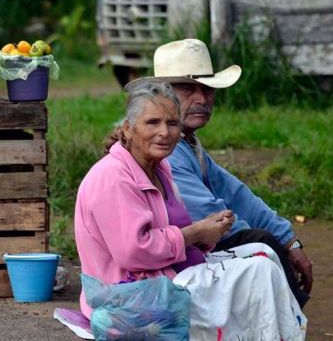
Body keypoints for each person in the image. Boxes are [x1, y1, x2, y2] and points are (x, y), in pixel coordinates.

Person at [74, 81, 306, 340]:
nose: (164, 132)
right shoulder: (114, 176)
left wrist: (209, 232)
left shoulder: (160, 169)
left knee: (262, 254)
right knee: (259, 272)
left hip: (167, 276)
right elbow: (134, 251)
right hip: (131, 295)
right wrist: (194, 233)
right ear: (128, 129)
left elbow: (232, 196)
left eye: (172, 124)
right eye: (152, 123)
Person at [126, 38, 313, 308]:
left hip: (182, 247)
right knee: (261, 244)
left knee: (265, 241)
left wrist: (288, 241)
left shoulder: (187, 142)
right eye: (188, 89)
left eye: (207, 89)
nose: (201, 99)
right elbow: (208, 216)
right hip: (159, 262)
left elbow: (236, 194)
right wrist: (271, 251)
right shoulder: (163, 147)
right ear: (162, 95)